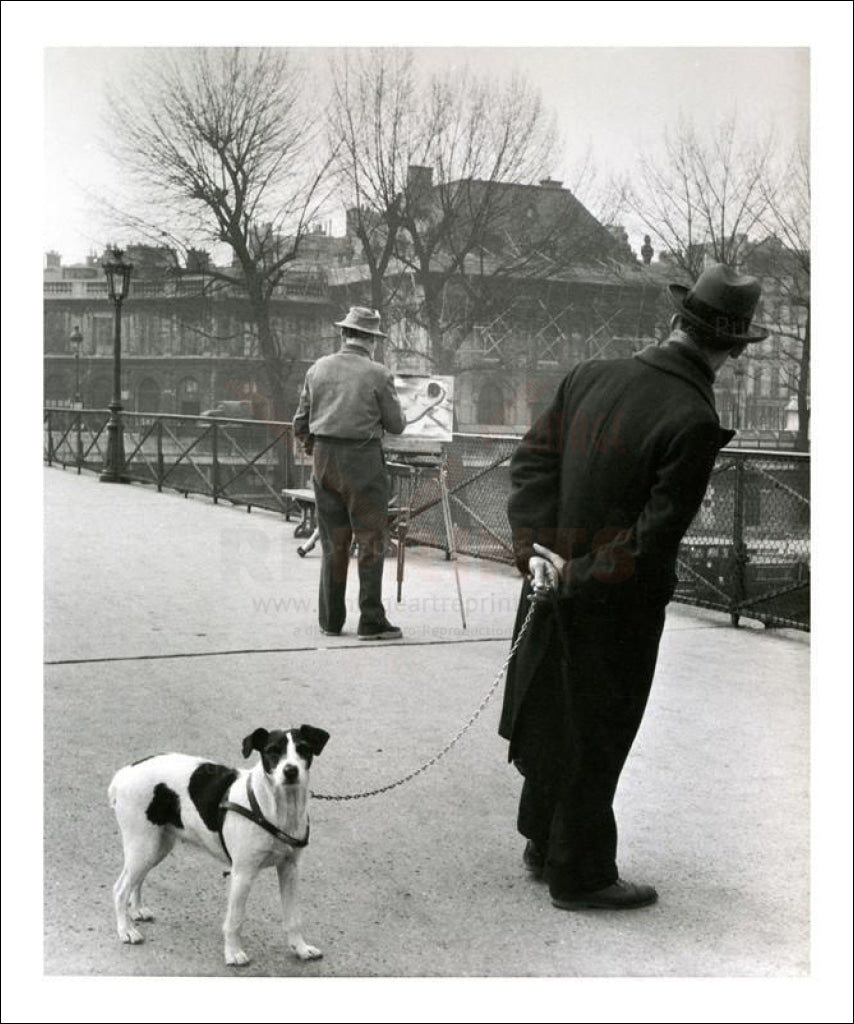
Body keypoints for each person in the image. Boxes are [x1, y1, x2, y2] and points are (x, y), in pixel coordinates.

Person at [500, 263, 768, 910]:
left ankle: (542, 841)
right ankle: (581, 874)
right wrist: (578, 576)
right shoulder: (694, 418)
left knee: (552, 709)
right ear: (732, 350)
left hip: (546, 581)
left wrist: (535, 554)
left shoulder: (589, 374)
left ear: (676, 320)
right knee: (599, 732)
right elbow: (651, 540)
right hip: (614, 606)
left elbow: (531, 463)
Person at [293, 306, 406, 640]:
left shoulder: (317, 368)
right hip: (363, 461)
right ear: (372, 340)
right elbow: (396, 425)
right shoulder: (378, 374)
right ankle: (370, 620)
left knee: (333, 542)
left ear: (344, 334)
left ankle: (330, 620)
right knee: (371, 541)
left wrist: (316, 448)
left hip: (324, 460)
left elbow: (300, 422)